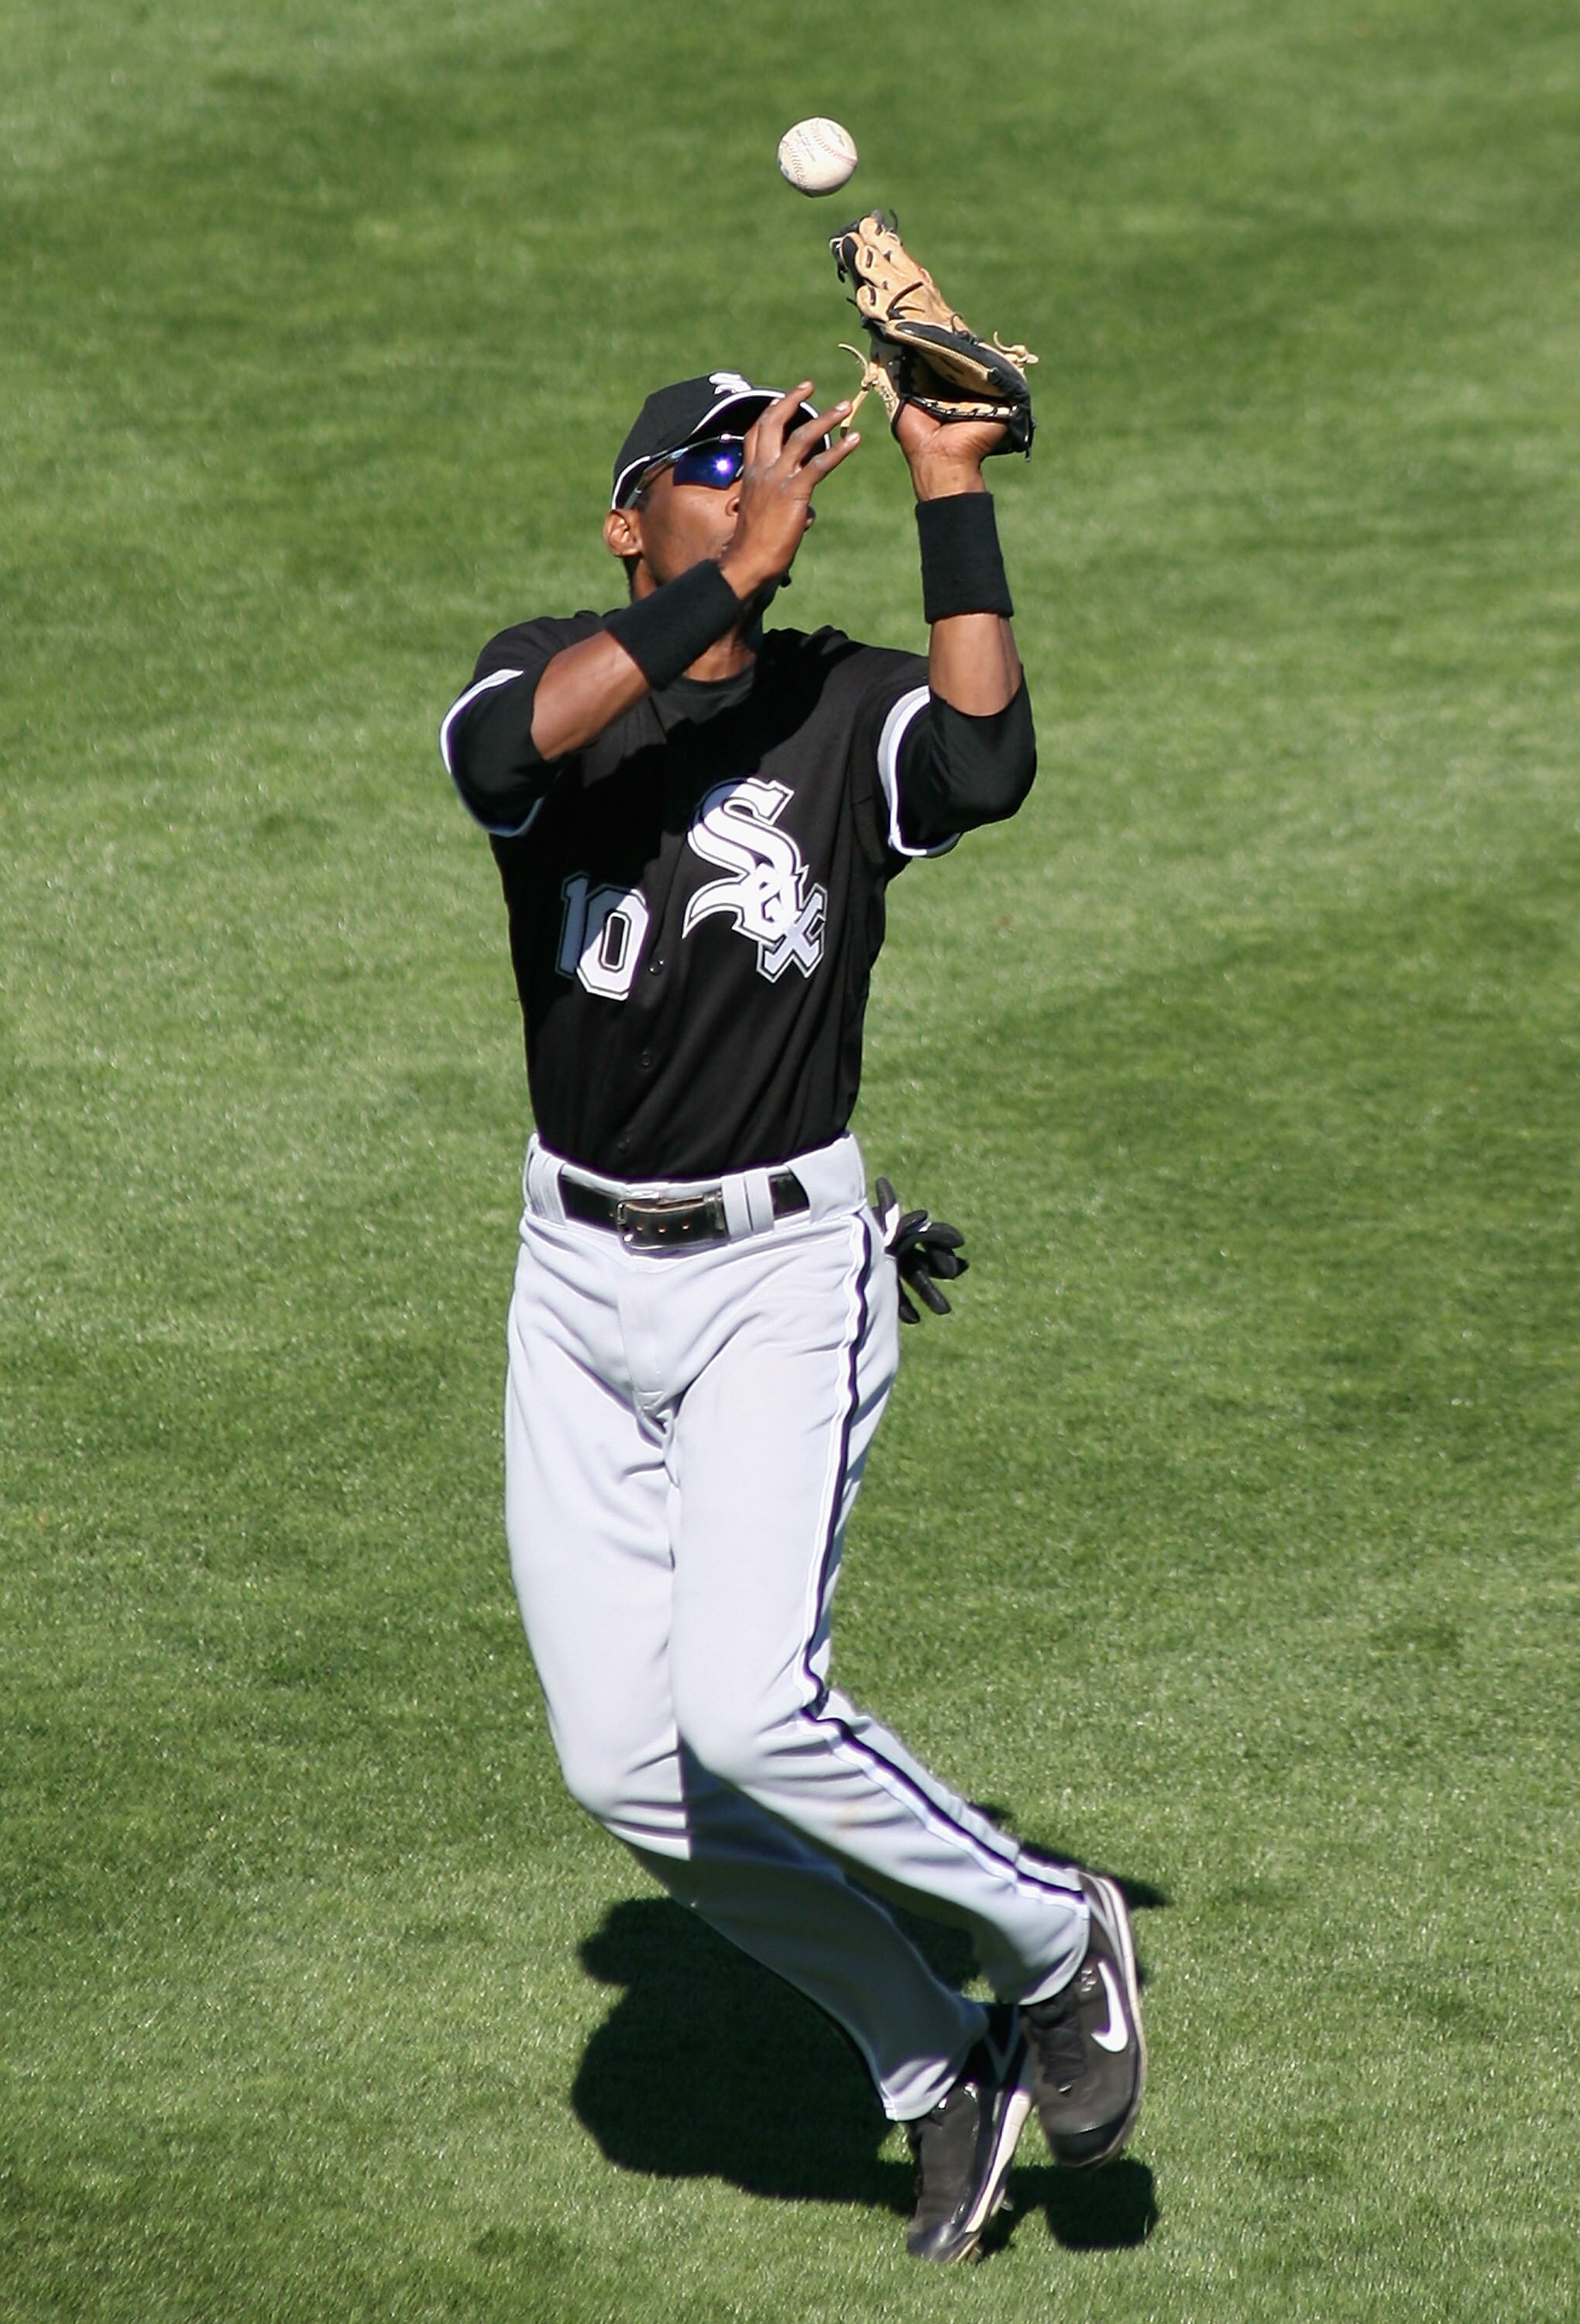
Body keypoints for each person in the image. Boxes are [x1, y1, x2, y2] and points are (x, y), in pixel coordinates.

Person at [438, 366, 1145, 2263]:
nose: (754, 485)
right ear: (629, 520)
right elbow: (510, 752)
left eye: (770, 457)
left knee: (748, 1709)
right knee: (622, 1765)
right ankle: (939, 2061)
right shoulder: (549, 671)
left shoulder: (838, 704)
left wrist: (945, 486)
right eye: (710, 467)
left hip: (775, 1276)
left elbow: (984, 758)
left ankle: (1050, 1934)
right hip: (575, 1287)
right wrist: (721, 580)